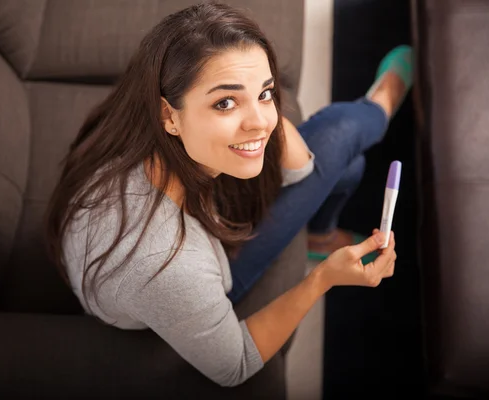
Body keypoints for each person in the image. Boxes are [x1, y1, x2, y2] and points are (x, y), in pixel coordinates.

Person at [45, 2, 409, 388]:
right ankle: (380, 106)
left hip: (178, 234)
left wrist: (251, 110)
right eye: (225, 102)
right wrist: (322, 278)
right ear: (169, 115)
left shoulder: (139, 132)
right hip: (177, 290)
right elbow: (234, 365)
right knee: (340, 148)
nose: (259, 122)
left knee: (342, 162)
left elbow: (299, 166)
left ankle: (372, 116)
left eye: (266, 93)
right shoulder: (167, 266)